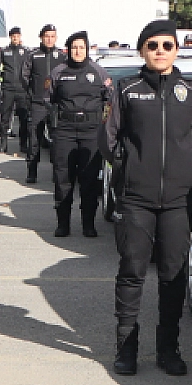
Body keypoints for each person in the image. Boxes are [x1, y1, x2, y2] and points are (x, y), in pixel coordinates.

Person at [103, 19, 192, 376]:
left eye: (166, 46)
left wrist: (187, 164)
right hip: (136, 198)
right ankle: (126, 347)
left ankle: (169, 348)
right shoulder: (126, 90)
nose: (159, 52)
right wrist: (130, 168)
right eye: (152, 46)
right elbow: (109, 139)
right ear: (142, 51)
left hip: (178, 201)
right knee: (132, 271)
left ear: (176, 51)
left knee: (173, 274)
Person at [49, 30, 110, 237]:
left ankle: (88, 224)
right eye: (74, 47)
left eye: (81, 47)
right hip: (65, 130)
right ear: (68, 50)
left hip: (91, 131)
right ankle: (63, 223)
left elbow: (109, 100)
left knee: (89, 180)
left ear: (87, 49)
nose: (78, 51)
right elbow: (48, 98)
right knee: (62, 178)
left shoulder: (98, 72)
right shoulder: (58, 72)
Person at [25, 24, 62, 183]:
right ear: (41, 37)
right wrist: (33, 94)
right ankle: (32, 172)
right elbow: (24, 77)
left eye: (52, 36)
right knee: (35, 139)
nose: (49, 39)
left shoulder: (61, 56)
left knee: (57, 140)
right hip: (38, 104)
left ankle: (56, 173)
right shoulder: (33, 55)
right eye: (47, 36)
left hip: (56, 105)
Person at [0, 27, 34, 157]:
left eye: (17, 36)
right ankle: (3, 143)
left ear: (20, 37)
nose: (15, 38)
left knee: (24, 118)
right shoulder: (4, 52)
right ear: (10, 37)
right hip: (8, 89)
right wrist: (3, 76)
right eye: (13, 36)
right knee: (5, 117)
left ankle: (23, 144)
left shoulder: (26, 52)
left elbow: (32, 68)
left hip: (22, 90)